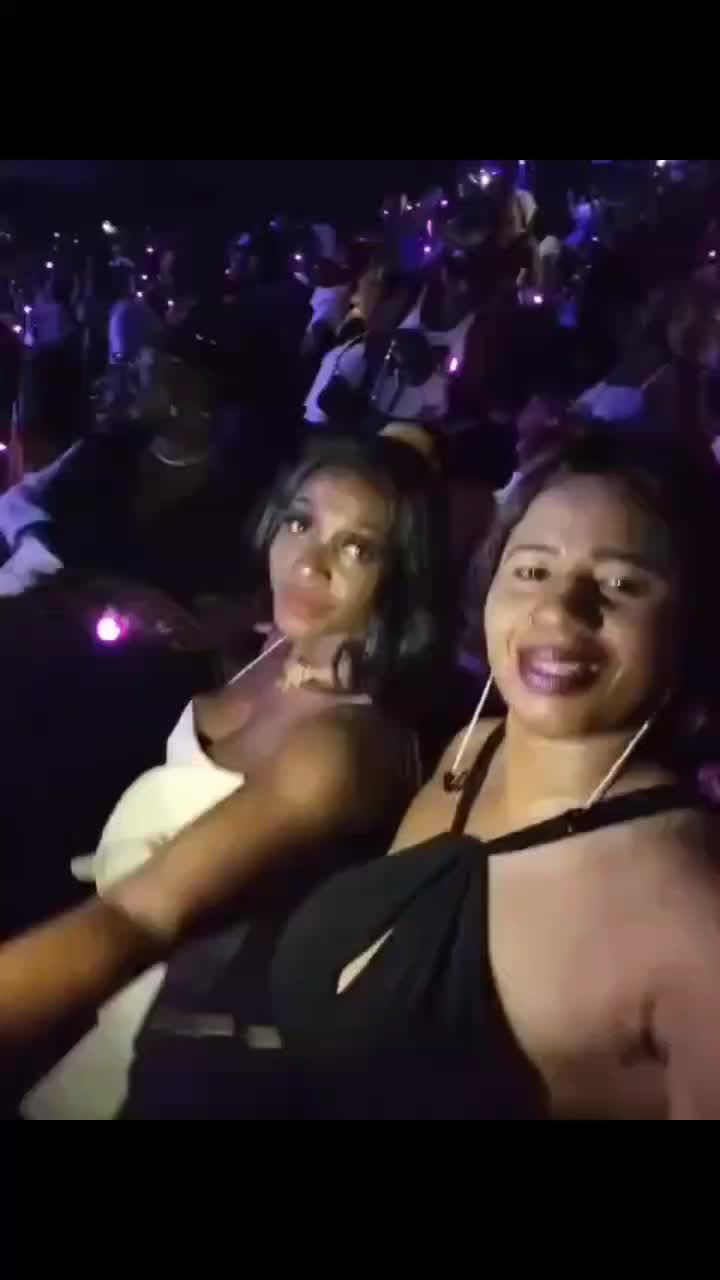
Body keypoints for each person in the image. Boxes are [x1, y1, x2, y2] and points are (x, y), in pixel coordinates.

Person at [264, 426, 720, 1119]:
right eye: (532, 571)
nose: (558, 610)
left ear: (690, 622)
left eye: (622, 584)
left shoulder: (693, 919)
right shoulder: (471, 752)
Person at [22, 430, 448, 1118]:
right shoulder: (281, 648)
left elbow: (141, 917)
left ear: (402, 574)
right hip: (109, 995)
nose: (308, 563)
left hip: (178, 1046)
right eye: (300, 522)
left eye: (356, 548)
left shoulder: (338, 752)